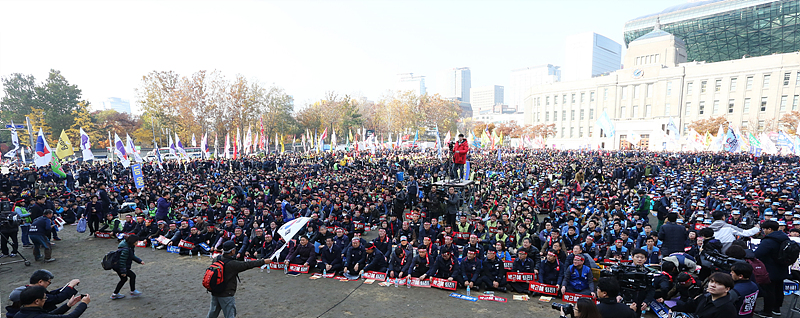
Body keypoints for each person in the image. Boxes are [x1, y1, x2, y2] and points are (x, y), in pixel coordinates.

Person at [206, 240, 271, 318]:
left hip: (215, 291)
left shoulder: (216, 258)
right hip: (226, 294)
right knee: (230, 315)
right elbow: (248, 264)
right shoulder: (232, 264)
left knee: (212, 314)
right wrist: (263, 261)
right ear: (232, 251)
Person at [753, 220, 790, 318]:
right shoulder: (784, 237)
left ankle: (767, 311)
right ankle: (776, 309)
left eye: (764, 229)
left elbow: (758, 253)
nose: (763, 231)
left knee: (769, 291)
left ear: (769, 229)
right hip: (782, 268)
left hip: (770, 269)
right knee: (778, 289)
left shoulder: (769, 241)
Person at [6, 270, 80, 318]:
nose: (49, 284)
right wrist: (70, 287)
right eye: (48, 282)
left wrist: (67, 287)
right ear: (40, 282)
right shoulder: (35, 295)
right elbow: (56, 299)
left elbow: (51, 295)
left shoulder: (26, 290)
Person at [13, 286, 89, 318]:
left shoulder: (19, 314)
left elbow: (49, 315)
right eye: (44, 297)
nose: (45, 299)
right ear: (36, 301)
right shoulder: (38, 316)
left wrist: (68, 305)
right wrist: (83, 303)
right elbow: (70, 317)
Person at [111, 235, 145, 300]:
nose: (137, 242)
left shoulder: (128, 246)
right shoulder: (126, 249)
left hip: (118, 266)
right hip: (120, 267)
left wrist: (139, 261)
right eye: (136, 241)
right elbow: (122, 261)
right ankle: (132, 291)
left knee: (124, 279)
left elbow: (131, 256)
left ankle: (115, 294)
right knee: (131, 276)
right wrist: (123, 271)